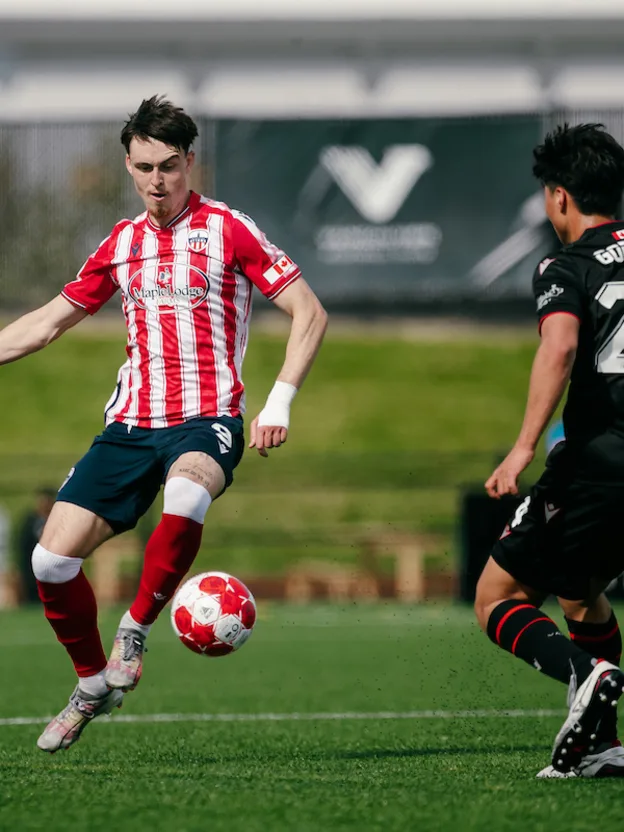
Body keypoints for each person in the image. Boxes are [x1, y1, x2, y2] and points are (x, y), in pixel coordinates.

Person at [0, 96, 327, 753]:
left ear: (190, 164)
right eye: (145, 166)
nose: (158, 180)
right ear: (128, 165)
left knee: (187, 491)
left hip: (207, 419)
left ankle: (136, 628)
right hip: (129, 424)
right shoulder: (120, 246)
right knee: (49, 560)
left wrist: (280, 399)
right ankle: (93, 684)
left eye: (170, 167)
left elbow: (308, 310)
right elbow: (45, 324)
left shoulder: (229, 230)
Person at [475, 123, 624, 779]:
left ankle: (584, 672)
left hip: (599, 460)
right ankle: (604, 746)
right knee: (582, 591)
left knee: (496, 595)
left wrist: (521, 449)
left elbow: (560, 347)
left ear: (559, 198)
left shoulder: (565, 264)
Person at [17, 487, 56, 604]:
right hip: (31, 569)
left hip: (53, 567)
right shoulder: (30, 521)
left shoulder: (57, 519)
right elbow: (23, 546)